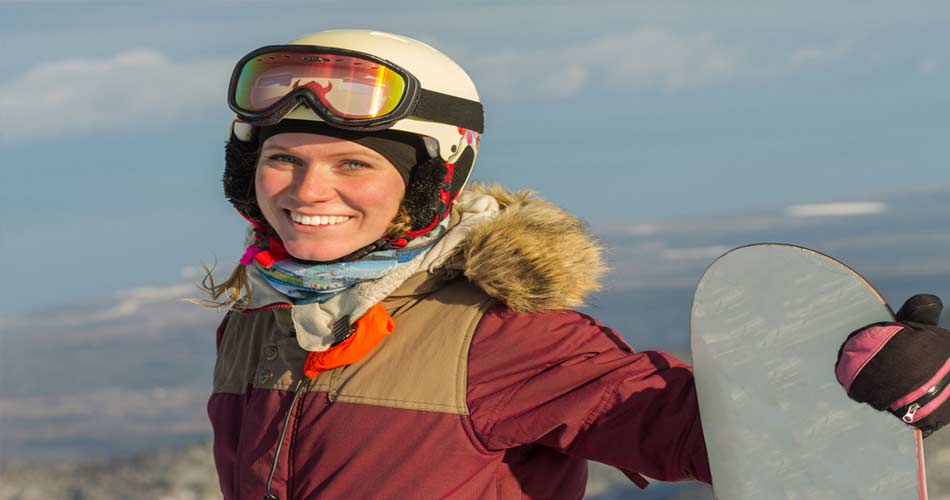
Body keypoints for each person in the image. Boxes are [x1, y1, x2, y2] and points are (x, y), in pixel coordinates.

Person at [204, 29, 949, 500]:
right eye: (281, 160)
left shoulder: (492, 332)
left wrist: (851, 388)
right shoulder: (265, 318)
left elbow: (687, 427)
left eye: (351, 162)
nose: (307, 191)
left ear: (432, 179)